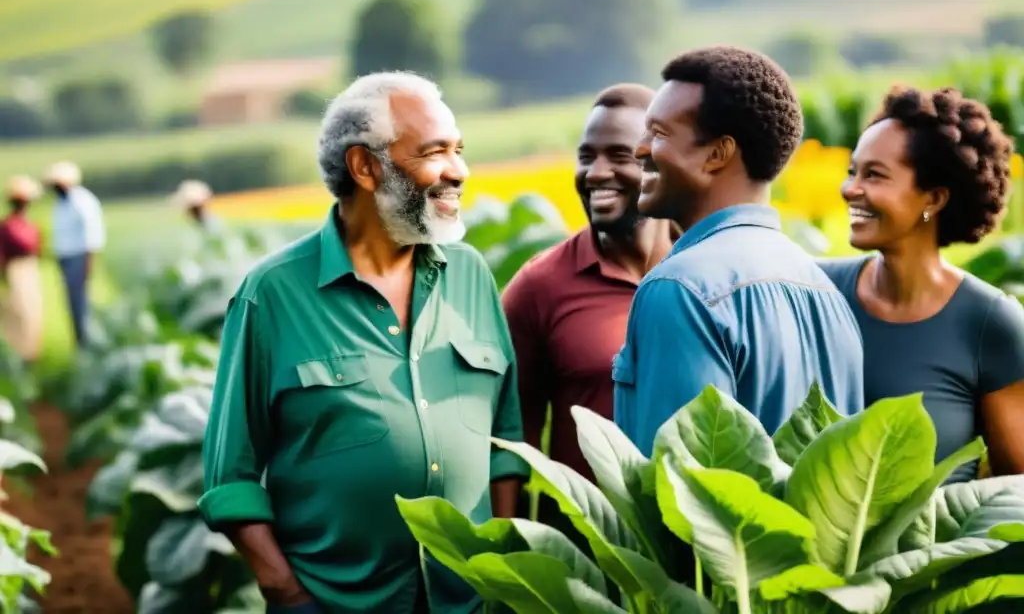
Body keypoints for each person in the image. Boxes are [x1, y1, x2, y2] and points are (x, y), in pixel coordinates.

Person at [198, 71, 529, 614]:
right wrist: (286, 591)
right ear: (365, 166)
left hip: (469, 601)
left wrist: (499, 569)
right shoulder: (272, 294)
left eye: (460, 150)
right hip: (335, 602)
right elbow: (227, 476)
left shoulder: (472, 276)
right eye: (435, 152)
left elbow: (505, 441)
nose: (459, 171)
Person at [613, 46, 864, 455]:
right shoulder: (826, 292)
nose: (640, 149)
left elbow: (684, 491)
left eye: (657, 134)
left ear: (717, 154)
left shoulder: (679, 289)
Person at [819, 85, 1024, 481]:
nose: (849, 189)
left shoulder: (990, 324)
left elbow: (1014, 493)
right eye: (852, 171)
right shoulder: (815, 291)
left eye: (874, 175)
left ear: (933, 199)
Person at [502, 84, 674, 523]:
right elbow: (508, 441)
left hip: (696, 556)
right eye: (585, 157)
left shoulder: (705, 268)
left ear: (658, 161)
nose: (596, 173)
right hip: (585, 555)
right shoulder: (539, 286)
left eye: (619, 156)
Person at [43, 161, 105, 349]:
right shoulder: (61, 203)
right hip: (67, 259)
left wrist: (88, 262)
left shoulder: (83, 201)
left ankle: (88, 343)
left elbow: (92, 234)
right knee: (72, 303)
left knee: (82, 303)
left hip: (79, 257)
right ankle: (80, 342)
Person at [0, 176, 44, 361]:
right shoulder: (9, 226)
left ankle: (31, 355)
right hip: (16, 271)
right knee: (19, 315)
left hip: (30, 270)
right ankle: (20, 356)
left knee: (33, 315)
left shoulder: (29, 225)